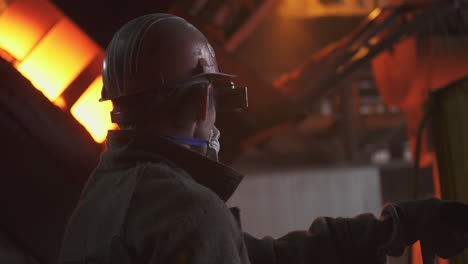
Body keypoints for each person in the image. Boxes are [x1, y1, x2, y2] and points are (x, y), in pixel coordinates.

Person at [59, 13, 468, 264]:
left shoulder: (104, 195)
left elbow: (258, 258)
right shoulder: (186, 210)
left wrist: (390, 230)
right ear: (204, 99)